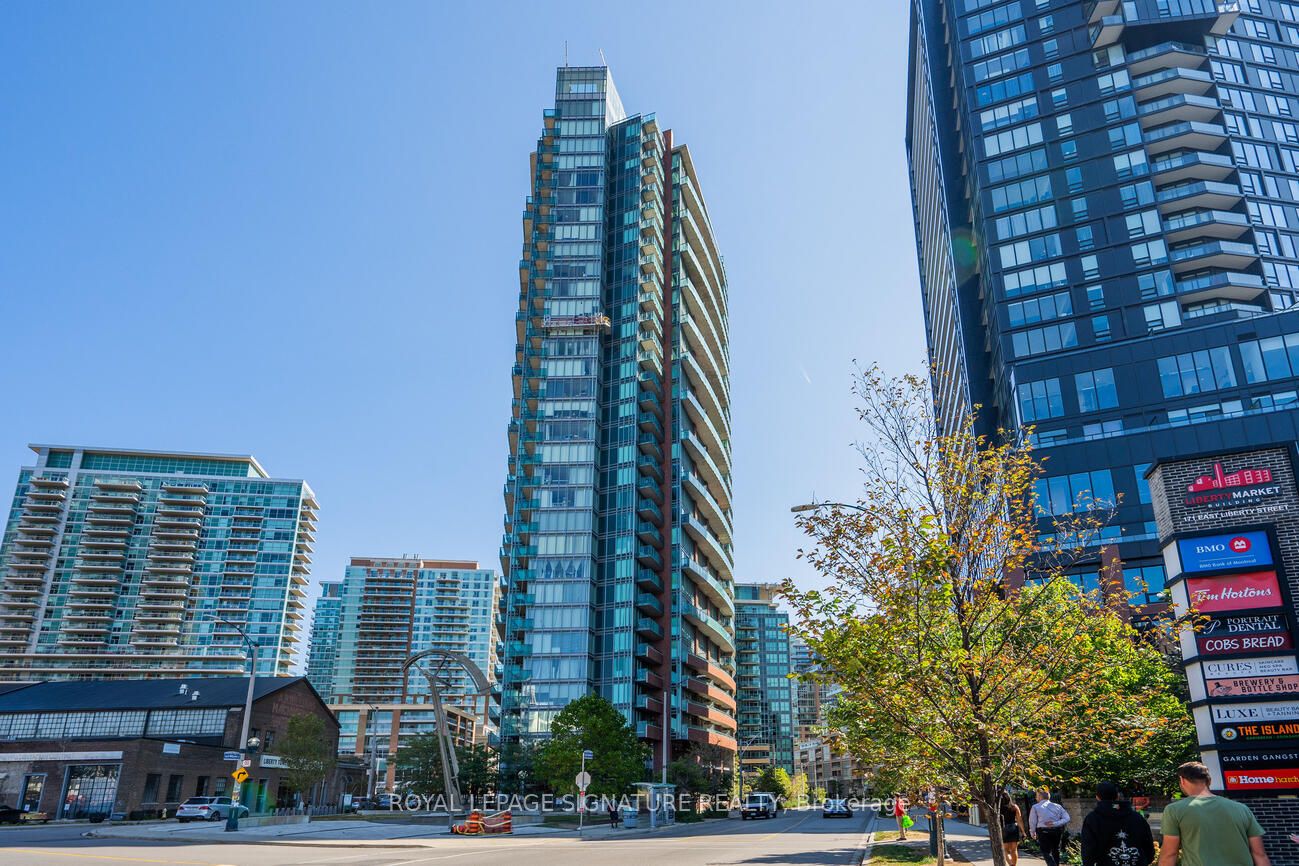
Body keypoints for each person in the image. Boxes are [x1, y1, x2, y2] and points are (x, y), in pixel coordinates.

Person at [1158, 761, 1270, 866]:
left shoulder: (1174, 810)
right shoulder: (1242, 809)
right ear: (1209, 781)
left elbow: (1170, 854)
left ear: (1182, 780)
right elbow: (1260, 854)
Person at [1080, 781, 1154, 866]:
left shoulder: (1092, 819)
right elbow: (1148, 848)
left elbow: (1088, 850)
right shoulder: (1137, 817)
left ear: (1097, 797)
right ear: (1117, 796)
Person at [1030, 789, 1071, 866]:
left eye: (1036, 796)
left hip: (1043, 831)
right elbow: (1067, 818)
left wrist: (1032, 832)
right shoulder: (1058, 806)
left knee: (1045, 851)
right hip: (1056, 830)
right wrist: (1055, 823)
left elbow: (1032, 821)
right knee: (1056, 850)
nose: (1036, 798)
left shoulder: (1035, 807)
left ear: (1040, 796)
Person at [1000, 797, 1025, 866]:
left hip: (1003, 828)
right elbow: (1019, 820)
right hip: (1013, 828)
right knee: (1014, 850)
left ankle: (1011, 864)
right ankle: (1013, 864)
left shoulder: (998, 808)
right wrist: (1023, 831)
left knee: (1004, 849)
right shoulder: (1014, 807)